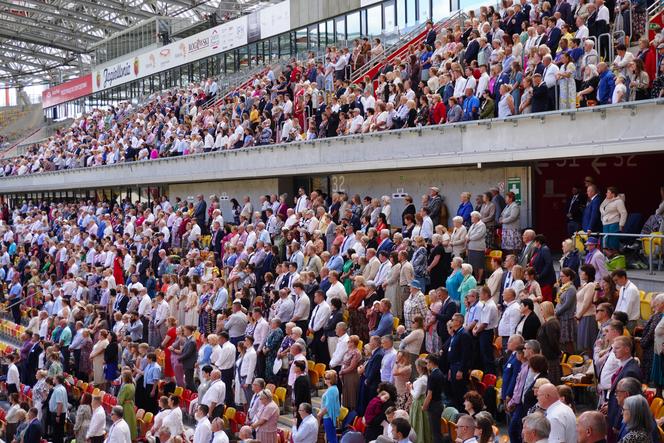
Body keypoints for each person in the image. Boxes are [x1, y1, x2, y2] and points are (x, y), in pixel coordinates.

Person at [319, 370, 341, 443]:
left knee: (331, 439)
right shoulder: (332, 388)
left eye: (327, 378)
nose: (325, 379)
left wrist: (320, 414)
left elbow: (328, 406)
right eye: (325, 378)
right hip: (328, 417)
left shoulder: (331, 390)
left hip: (328, 417)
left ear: (331, 380)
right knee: (331, 437)